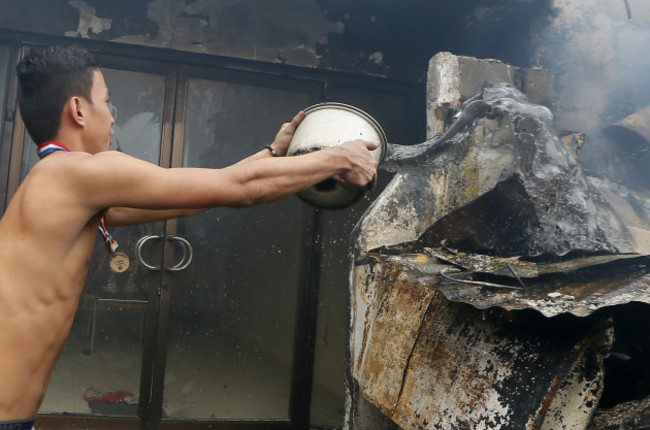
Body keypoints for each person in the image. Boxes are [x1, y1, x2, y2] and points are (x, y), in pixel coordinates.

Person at [0, 44, 378, 427]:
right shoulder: (77, 174)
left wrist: (273, 153)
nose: (113, 119)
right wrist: (339, 156)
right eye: (107, 102)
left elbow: (199, 197)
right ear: (79, 110)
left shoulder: (62, 183)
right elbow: (242, 189)